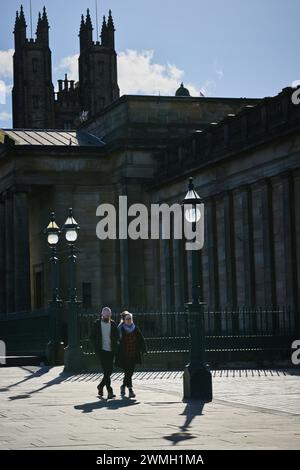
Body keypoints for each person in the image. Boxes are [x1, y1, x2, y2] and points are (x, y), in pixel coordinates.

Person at [116, 311, 147, 398]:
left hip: (133, 353)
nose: (129, 320)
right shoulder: (120, 329)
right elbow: (116, 341)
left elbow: (141, 339)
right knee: (127, 371)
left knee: (130, 372)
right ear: (124, 320)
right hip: (124, 354)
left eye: (130, 319)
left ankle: (123, 386)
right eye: (127, 319)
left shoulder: (135, 328)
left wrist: (144, 349)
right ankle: (130, 390)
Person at [91, 306, 119, 399]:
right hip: (101, 351)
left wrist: (116, 343)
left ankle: (100, 386)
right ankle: (110, 391)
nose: (107, 317)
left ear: (110, 315)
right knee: (106, 371)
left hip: (111, 350)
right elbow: (91, 337)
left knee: (109, 371)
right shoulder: (97, 323)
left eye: (108, 315)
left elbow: (117, 336)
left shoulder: (113, 323)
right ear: (102, 315)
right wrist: (96, 346)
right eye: (105, 315)